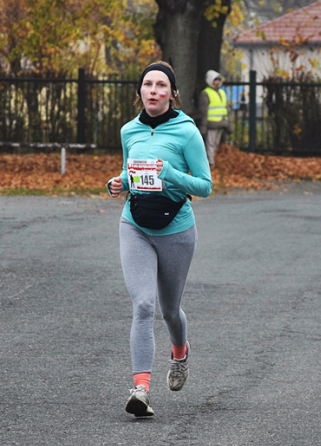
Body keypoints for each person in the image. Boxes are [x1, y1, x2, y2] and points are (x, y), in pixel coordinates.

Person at [107, 61, 213, 417]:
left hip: (176, 230)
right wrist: (118, 182)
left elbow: (205, 186)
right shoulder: (128, 131)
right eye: (148, 84)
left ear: (172, 93)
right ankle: (141, 390)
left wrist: (171, 174)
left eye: (161, 85)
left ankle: (180, 353)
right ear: (139, 92)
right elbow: (129, 171)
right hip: (135, 224)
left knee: (169, 310)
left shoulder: (187, 132)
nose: (153, 90)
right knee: (143, 306)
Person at [196, 70, 232, 167]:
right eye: (215, 80)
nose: (217, 82)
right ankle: (210, 162)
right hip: (211, 123)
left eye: (218, 80)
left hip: (221, 123)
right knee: (210, 143)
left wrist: (228, 123)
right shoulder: (206, 93)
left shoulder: (222, 93)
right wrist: (203, 125)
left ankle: (212, 161)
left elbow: (226, 109)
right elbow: (203, 111)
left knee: (215, 143)